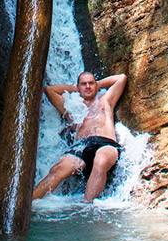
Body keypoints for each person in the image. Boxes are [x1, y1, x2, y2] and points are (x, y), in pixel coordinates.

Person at [32, 71, 128, 202]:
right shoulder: (71, 108)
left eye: (91, 83)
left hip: (106, 144)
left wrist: (97, 85)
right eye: (84, 84)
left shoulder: (106, 100)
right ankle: (29, 201)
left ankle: (87, 206)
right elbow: (50, 90)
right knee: (58, 169)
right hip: (81, 146)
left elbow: (121, 78)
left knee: (101, 161)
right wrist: (74, 89)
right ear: (78, 87)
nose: (88, 87)